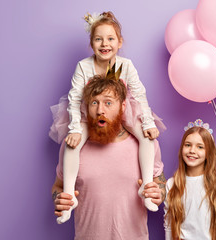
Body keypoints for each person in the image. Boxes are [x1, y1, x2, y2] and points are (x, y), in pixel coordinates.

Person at [49, 11, 166, 224]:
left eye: (111, 38)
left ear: (119, 42)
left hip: (123, 110)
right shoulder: (84, 66)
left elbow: (139, 94)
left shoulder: (126, 65)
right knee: (71, 145)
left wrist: (147, 123)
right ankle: (68, 197)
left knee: (147, 139)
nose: (105, 44)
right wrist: (75, 129)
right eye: (98, 39)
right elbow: (75, 99)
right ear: (91, 43)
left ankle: (147, 186)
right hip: (88, 113)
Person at [51, 75, 166, 240]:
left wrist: (158, 192)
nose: (100, 111)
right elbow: (58, 185)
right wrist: (59, 198)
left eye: (108, 103)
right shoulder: (72, 145)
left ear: (123, 106)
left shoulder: (145, 145)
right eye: (94, 102)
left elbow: (159, 182)